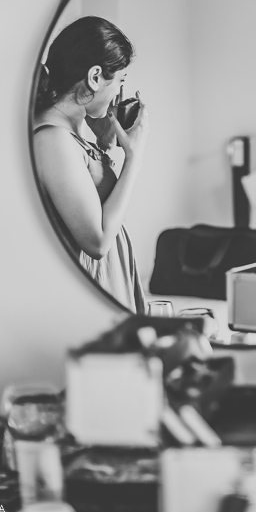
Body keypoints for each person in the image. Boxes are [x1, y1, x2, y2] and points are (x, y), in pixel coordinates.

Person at [32, 16, 148, 313]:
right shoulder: (53, 140)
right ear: (95, 77)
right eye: (120, 81)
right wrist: (133, 158)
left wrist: (105, 146)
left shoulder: (70, 135)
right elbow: (97, 242)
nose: (119, 93)